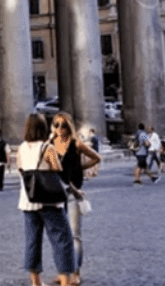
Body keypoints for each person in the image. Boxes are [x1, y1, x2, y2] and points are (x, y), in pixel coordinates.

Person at [18, 113, 75, 286]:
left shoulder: (21, 147)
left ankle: (36, 282)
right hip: (49, 200)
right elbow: (57, 169)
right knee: (62, 240)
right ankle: (65, 280)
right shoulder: (47, 148)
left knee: (32, 241)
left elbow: (20, 168)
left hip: (28, 200)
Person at [52, 113, 101, 286]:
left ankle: (76, 272)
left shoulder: (76, 144)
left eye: (63, 125)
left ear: (69, 126)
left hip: (72, 194)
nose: (59, 129)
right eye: (56, 125)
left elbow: (97, 157)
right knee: (58, 236)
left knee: (74, 235)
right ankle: (63, 272)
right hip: (56, 194)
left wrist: (80, 168)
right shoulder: (50, 145)